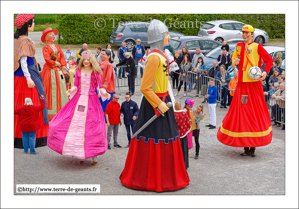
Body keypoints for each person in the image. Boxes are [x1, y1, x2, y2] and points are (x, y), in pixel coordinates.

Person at [120, 19, 189, 192]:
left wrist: (167, 102)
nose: (168, 37)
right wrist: (159, 104)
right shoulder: (153, 58)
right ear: (159, 36)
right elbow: (144, 87)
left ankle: (167, 177)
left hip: (163, 102)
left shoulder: (162, 55)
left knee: (169, 136)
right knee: (155, 138)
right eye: (166, 34)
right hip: (154, 105)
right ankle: (152, 179)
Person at [217, 25, 273, 157]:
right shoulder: (238, 46)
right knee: (243, 114)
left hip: (254, 85)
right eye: (243, 32)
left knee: (254, 113)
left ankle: (253, 146)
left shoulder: (257, 46)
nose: (244, 34)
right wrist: (234, 61)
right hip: (242, 86)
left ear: (252, 34)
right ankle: (245, 147)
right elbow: (233, 61)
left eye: (246, 32)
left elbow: (269, 60)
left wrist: (265, 72)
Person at [47, 51, 110, 166]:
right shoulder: (79, 71)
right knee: (72, 125)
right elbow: (75, 84)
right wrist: (71, 90)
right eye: (84, 60)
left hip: (91, 101)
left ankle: (93, 156)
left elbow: (99, 87)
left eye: (88, 60)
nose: (86, 62)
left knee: (91, 128)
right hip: (78, 99)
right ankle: (79, 153)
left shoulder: (95, 72)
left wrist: (105, 93)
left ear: (91, 61)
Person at [14, 14, 49, 149]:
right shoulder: (25, 40)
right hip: (26, 75)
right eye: (33, 23)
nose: (34, 25)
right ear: (28, 25)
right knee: (36, 101)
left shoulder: (16, 39)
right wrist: (29, 78)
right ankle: (35, 137)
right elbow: (24, 60)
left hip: (17, 76)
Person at [40, 27, 68, 121]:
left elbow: (62, 56)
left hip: (57, 71)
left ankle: (61, 110)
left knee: (61, 89)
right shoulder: (46, 47)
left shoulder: (56, 46)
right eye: (51, 35)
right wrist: (56, 63)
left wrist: (63, 66)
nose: (53, 36)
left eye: (53, 35)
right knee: (50, 91)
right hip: (49, 71)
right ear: (47, 37)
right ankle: (50, 113)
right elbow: (47, 59)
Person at [174, 101, 191, 169]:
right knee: (184, 150)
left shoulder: (172, 114)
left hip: (175, 136)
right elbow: (187, 123)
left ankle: (176, 165)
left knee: (176, 151)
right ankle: (184, 165)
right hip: (183, 135)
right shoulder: (184, 114)